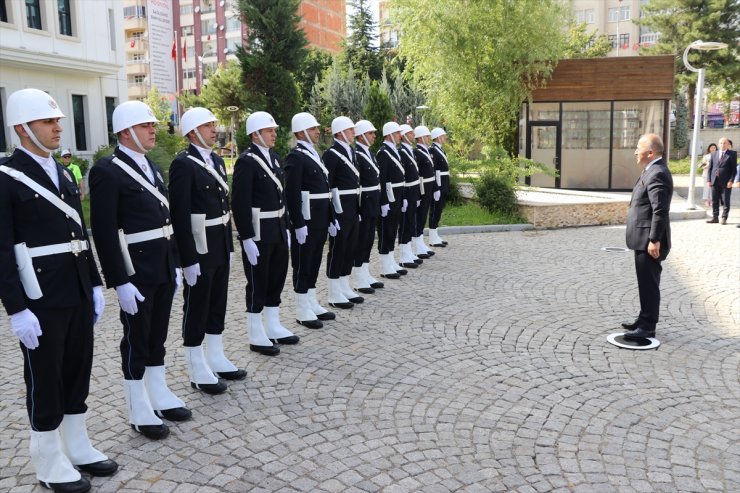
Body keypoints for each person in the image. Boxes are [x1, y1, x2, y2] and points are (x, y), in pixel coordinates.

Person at [1, 88, 117, 492]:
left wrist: (96, 283)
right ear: (22, 128)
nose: (57, 128)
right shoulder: (6, 178)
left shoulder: (64, 172)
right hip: (40, 297)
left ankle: (78, 444)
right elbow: (1, 249)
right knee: (45, 376)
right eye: (48, 122)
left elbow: (79, 235)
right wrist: (16, 308)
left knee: (77, 369)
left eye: (58, 122)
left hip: (76, 289)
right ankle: (48, 459)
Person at [89, 101, 190, 441]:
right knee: (136, 338)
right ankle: (137, 408)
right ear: (126, 131)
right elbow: (104, 231)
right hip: (135, 271)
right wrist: (119, 282)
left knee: (157, 335)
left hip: (161, 264)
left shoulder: (152, 168)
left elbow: (167, 222)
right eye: (146, 125)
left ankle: (158, 393)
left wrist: (174, 263)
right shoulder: (108, 170)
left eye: (152, 125)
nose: (153, 131)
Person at [169, 107, 246, 393]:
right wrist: (186, 259)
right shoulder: (183, 164)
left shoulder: (214, 159)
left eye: (214, 124)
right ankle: (195, 364)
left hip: (218, 241)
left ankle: (215, 355)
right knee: (197, 304)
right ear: (192, 132)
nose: (214, 129)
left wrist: (228, 244)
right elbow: (179, 214)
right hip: (198, 248)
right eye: (208, 125)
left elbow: (223, 207)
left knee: (217, 302)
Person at [232, 111, 299, 356]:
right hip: (259, 233)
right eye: (269, 131)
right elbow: (239, 203)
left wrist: (288, 227)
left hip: (278, 228)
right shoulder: (246, 161)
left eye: (274, 130)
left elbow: (282, 196)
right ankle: (255, 332)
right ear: (255, 134)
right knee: (258, 281)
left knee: (276, 278)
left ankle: (272, 325)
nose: (274, 134)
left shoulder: (273, 157)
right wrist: (246, 237)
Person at [283, 112, 335, 328]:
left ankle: (312, 301)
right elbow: (292, 193)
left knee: (314, 260)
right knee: (303, 262)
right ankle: (302, 308)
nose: (317, 132)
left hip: (320, 217)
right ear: (301, 132)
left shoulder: (314, 154)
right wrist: (298, 222)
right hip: (307, 219)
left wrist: (331, 217)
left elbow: (325, 189)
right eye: (313, 129)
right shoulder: (296, 157)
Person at [621, 133, 672, 340]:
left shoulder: (657, 172)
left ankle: (648, 327)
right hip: (643, 239)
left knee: (649, 284)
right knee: (645, 283)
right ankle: (643, 319)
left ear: (650, 153)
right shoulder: (651, 170)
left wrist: (654, 240)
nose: (635, 151)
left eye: (638, 147)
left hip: (649, 241)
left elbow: (659, 210)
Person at [322, 116, 363, 308]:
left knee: (350, 247)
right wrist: (331, 214)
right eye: (350, 130)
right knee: (338, 248)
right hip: (339, 207)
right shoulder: (332, 154)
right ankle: (333, 291)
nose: (353, 133)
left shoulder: (351, 151)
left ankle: (345, 285)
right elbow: (327, 185)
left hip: (352, 205)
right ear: (340, 132)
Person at [351, 119, 384, 293]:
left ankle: (365, 272)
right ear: (362, 135)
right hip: (364, 202)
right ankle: (358, 277)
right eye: (371, 133)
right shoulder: (357, 154)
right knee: (361, 240)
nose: (373, 136)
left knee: (369, 239)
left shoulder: (368, 153)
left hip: (373, 201)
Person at [376, 122, 406, 279]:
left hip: (397, 194)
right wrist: (384, 201)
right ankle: (384, 264)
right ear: (388, 135)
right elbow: (382, 179)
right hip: (389, 195)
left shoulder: (393, 150)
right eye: (396, 133)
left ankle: (391, 259)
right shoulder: (383, 152)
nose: (399, 136)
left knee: (393, 228)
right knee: (385, 230)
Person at [397, 124, 423, 268]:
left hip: (414, 190)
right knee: (405, 223)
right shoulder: (402, 152)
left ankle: (408, 251)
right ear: (404, 136)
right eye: (411, 133)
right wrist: (405, 196)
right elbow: (404, 176)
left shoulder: (410, 151)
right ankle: (403, 254)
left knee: (411, 222)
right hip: (407, 191)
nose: (413, 136)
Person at [412, 125, 436, 259]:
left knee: (423, 215)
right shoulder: (417, 152)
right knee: (419, 215)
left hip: (428, 186)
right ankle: (416, 243)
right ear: (420, 137)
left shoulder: (425, 151)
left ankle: (420, 241)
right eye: (427, 136)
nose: (429, 138)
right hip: (422, 187)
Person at [706, 136, 736, 225]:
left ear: (728, 144)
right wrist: (709, 180)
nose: (723, 144)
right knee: (715, 200)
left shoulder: (732, 154)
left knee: (726, 200)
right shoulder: (714, 154)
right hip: (715, 180)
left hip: (726, 182)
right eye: (721, 143)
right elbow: (710, 168)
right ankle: (715, 217)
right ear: (719, 144)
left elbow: (734, 170)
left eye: (725, 143)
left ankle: (724, 218)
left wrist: (731, 180)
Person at [428, 127, 450, 247]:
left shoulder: (440, 150)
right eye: (443, 135)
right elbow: (433, 170)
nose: (445, 138)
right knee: (435, 209)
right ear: (437, 137)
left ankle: (435, 234)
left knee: (439, 209)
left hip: (443, 182)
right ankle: (432, 237)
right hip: (439, 183)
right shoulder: (432, 150)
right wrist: (436, 187)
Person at [699, 143, 716, 208]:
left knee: (713, 187)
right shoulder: (706, 156)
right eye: (711, 147)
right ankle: (706, 200)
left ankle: (712, 200)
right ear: (709, 148)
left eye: (714, 148)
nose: (713, 149)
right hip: (706, 173)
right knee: (706, 187)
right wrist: (705, 166)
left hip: (714, 174)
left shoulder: (717, 155)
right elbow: (702, 165)